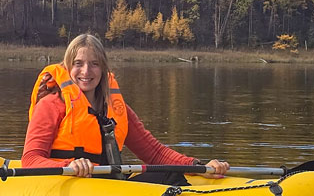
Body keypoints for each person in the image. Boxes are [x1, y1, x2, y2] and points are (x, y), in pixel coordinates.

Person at [22, 33, 229, 183]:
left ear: (103, 69)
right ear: (67, 68)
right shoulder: (50, 105)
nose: (86, 71)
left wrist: (197, 166)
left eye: (94, 64)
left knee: (170, 173)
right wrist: (68, 165)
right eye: (78, 63)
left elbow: (154, 153)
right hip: (69, 186)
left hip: (107, 187)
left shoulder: (118, 109)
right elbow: (30, 160)